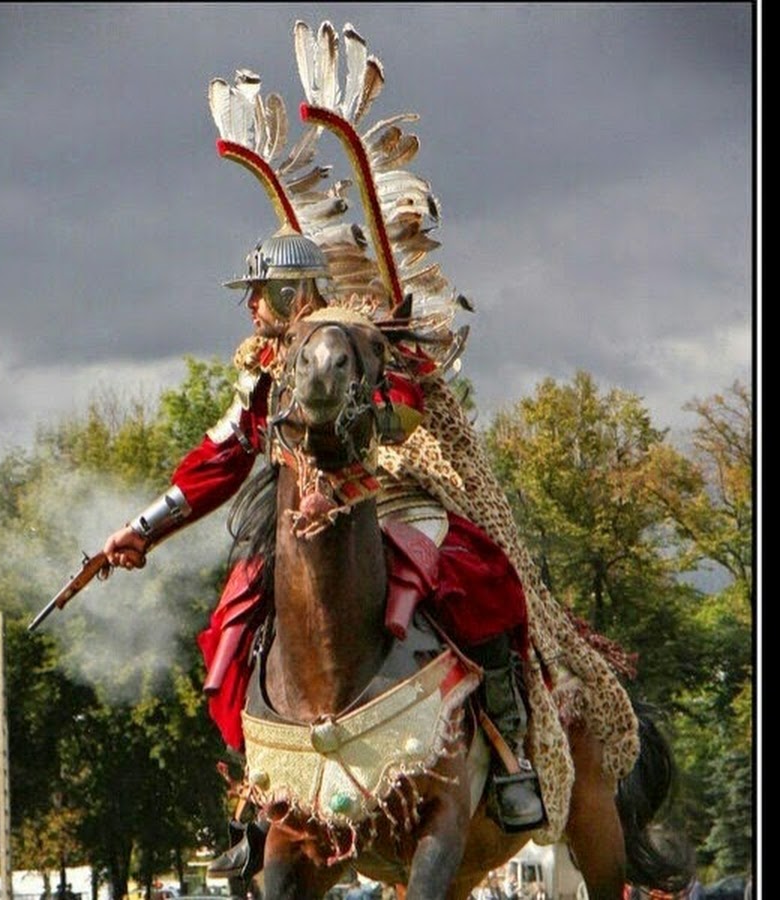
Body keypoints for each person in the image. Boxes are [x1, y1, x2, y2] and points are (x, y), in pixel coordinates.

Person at [101, 227, 546, 880]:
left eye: (262, 293)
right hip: (297, 526)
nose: (252, 307)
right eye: (251, 295)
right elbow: (222, 458)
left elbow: (403, 419)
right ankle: (255, 802)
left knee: (478, 585)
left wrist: (340, 489)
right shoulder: (267, 370)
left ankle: (510, 759)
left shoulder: (359, 341)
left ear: (296, 291)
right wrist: (143, 527)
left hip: (391, 502)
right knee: (231, 625)